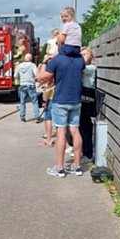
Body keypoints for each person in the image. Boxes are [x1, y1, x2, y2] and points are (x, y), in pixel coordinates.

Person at [37, 47, 86, 177]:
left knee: (61, 132)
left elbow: (42, 79)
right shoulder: (80, 59)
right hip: (75, 100)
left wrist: (45, 62)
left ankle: (59, 168)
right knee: (75, 131)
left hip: (61, 100)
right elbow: (82, 78)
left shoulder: (56, 60)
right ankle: (77, 166)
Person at [78, 48, 97, 163]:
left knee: (85, 126)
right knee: (81, 126)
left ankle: (88, 154)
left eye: (84, 54)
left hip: (86, 98)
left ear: (90, 56)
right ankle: (83, 150)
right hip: (82, 96)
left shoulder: (90, 68)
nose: (82, 57)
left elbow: (80, 68)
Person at [15, 53, 40, 122]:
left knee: (22, 102)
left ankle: (22, 117)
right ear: (31, 59)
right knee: (34, 101)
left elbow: (15, 76)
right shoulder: (32, 65)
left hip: (22, 85)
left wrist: (21, 78)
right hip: (30, 85)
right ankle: (37, 116)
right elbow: (36, 74)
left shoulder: (19, 66)